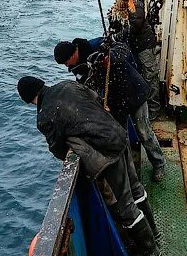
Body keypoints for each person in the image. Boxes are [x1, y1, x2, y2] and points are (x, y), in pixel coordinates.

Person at [16, 75, 160, 256]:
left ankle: (150, 251)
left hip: (106, 155)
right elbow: (96, 99)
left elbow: (57, 148)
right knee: (135, 189)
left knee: (123, 207)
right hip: (118, 135)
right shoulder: (68, 85)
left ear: (27, 100)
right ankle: (154, 232)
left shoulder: (44, 116)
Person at [55, 38, 167, 182]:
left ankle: (159, 163)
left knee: (144, 131)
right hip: (115, 102)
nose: (66, 66)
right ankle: (129, 174)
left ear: (71, 55)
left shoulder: (96, 45)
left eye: (65, 62)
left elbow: (123, 47)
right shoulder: (78, 69)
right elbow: (87, 88)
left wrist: (110, 58)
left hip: (134, 92)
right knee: (120, 138)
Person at [118, 0, 162, 121]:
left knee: (150, 77)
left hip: (146, 47)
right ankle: (149, 107)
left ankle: (154, 109)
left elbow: (135, 26)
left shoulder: (135, 7)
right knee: (147, 76)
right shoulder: (132, 6)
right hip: (141, 46)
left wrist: (119, 35)